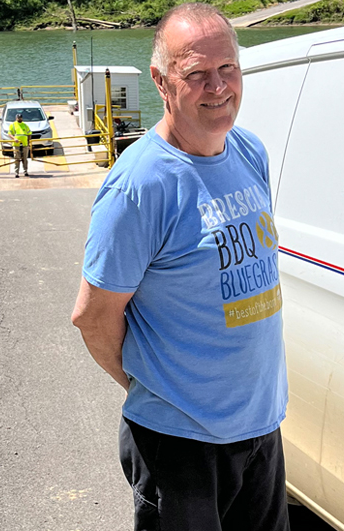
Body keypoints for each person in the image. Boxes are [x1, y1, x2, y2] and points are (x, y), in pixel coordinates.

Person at [71, 3, 289, 530]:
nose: (218, 87)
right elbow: (93, 316)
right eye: (196, 74)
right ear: (161, 81)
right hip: (179, 443)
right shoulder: (139, 187)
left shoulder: (247, 150)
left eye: (227, 68)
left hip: (261, 429)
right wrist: (156, 388)